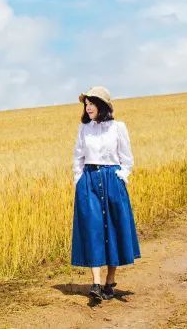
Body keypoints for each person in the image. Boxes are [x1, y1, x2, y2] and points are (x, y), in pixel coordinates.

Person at [71, 86, 141, 301]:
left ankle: (110, 281)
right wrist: (79, 181)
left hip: (112, 179)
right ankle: (96, 283)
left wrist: (121, 176)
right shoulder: (84, 129)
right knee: (93, 229)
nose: (88, 107)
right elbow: (77, 157)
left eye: (92, 103)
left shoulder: (118, 127)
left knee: (113, 228)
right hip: (89, 181)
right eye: (86, 103)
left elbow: (127, 158)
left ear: (102, 106)